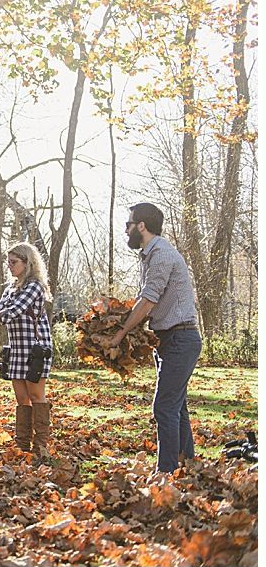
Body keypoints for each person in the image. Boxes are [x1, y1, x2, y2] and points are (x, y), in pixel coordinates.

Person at [114, 202, 202, 473]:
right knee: (177, 407)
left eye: (129, 224)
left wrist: (121, 331)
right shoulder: (151, 254)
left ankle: (165, 473)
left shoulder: (161, 254)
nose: (126, 229)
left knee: (164, 407)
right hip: (168, 339)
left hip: (181, 339)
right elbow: (147, 299)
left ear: (141, 226)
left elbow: (148, 300)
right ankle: (186, 466)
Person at [0, 242, 54, 458]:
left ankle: (41, 446)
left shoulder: (35, 286)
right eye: (8, 262)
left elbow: (14, 311)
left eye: (14, 262)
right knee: (21, 398)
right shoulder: (10, 289)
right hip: (16, 349)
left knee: (36, 395)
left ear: (27, 263)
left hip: (35, 348)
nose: (10, 266)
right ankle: (23, 446)